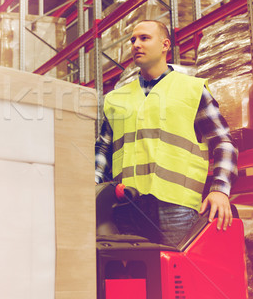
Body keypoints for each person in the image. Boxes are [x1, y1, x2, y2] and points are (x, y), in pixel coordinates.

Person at [95, 20, 238, 246]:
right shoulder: (116, 98)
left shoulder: (192, 90)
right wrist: (95, 185)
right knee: (136, 277)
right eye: (133, 39)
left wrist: (220, 190)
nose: (135, 45)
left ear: (165, 45)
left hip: (177, 206)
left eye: (144, 38)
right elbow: (103, 148)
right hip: (127, 206)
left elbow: (223, 143)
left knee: (180, 274)